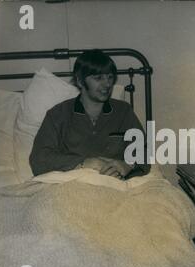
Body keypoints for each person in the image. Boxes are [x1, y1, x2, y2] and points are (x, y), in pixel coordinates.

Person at [30, 49, 150, 179]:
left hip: (116, 185)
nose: (107, 84)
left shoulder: (123, 111)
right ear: (80, 81)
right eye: (98, 78)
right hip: (72, 184)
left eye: (110, 77)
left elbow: (143, 151)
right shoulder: (58, 115)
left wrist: (128, 165)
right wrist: (85, 163)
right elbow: (39, 159)